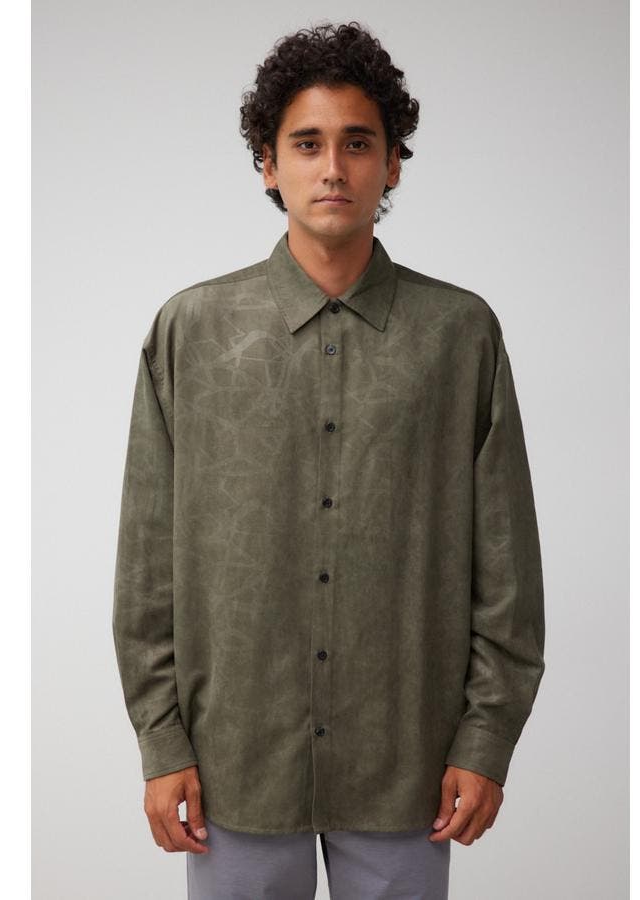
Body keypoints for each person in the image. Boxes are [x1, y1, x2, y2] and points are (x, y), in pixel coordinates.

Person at [112, 20, 546, 900]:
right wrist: (161, 741)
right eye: (307, 144)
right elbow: (147, 566)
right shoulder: (191, 331)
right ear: (267, 164)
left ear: (393, 164)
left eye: (358, 143)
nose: (334, 168)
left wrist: (485, 740)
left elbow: (507, 570)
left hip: (407, 764)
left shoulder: (460, 336)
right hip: (233, 765)